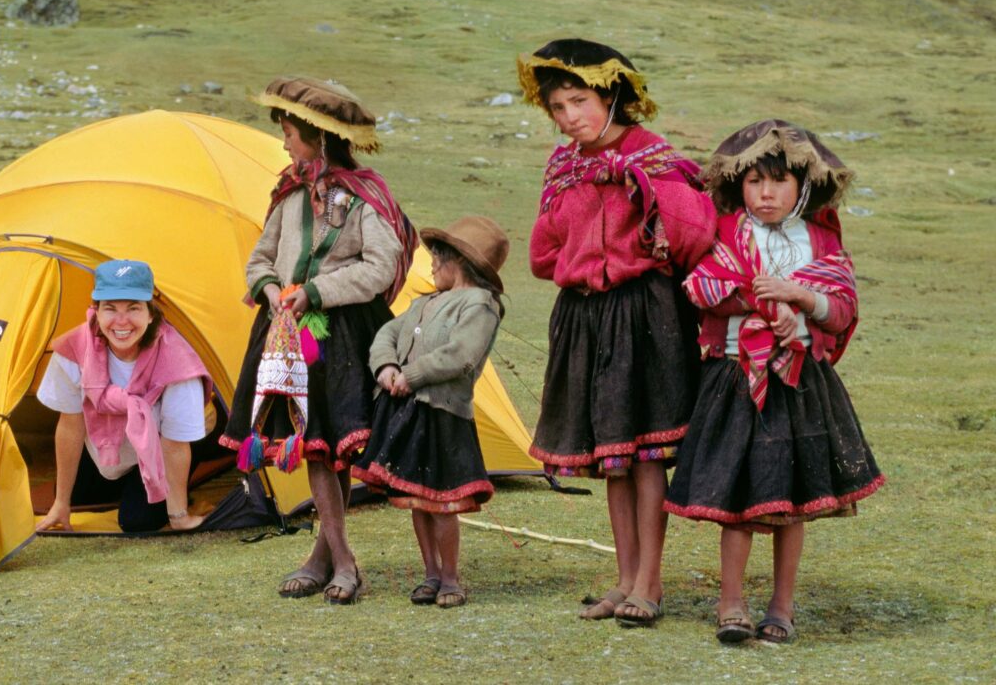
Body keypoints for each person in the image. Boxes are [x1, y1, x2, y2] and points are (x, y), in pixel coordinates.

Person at [518, 39, 717, 626]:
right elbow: (542, 250)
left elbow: (693, 232)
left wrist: (647, 238)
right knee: (614, 457)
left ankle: (649, 585)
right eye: (558, 107)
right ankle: (623, 579)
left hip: (645, 315)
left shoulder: (653, 159)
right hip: (583, 317)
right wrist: (581, 265)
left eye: (579, 100)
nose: (569, 116)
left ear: (611, 95)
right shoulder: (564, 167)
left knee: (647, 453)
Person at [664, 119, 884, 644]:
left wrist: (801, 305)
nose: (766, 193)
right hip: (735, 378)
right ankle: (731, 603)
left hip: (801, 383)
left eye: (779, 182)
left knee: (793, 499)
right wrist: (765, 304)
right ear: (738, 185)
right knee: (736, 501)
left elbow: (841, 305)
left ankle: (782, 607)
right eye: (754, 182)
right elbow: (701, 289)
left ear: (803, 186)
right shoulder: (725, 233)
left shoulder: (821, 240)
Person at [220, 76, 416, 604]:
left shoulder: (364, 199)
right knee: (313, 447)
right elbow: (260, 259)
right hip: (284, 332)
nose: (284, 143)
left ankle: (335, 559)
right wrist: (270, 292)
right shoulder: (287, 195)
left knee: (332, 448)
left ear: (319, 139)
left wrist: (317, 291)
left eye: (290, 133)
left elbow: (380, 267)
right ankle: (333, 557)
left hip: (345, 333)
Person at [352, 215, 509, 609]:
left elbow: (462, 354)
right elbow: (387, 334)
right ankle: (430, 574)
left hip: (442, 415)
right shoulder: (423, 303)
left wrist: (412, 375)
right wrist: (386, 367)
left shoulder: (481, 305)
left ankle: (451, 578)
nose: (433, 264)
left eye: (439, 257)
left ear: (460, 261)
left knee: (442, 503)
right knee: (416, 499)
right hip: (406, 411)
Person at [35, 259, 211, 533]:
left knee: (137, 521)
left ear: (151, 313)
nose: (121, 321)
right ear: (95, 311)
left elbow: (175, 444)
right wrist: (61, 502)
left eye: (133, 308)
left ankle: (181, 485)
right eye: (110, 309)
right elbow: (70, 424)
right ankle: (117, 485)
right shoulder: (74, 349)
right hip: (105, 449)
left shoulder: (177, 362)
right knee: (79, 497)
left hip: (164, 446)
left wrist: (178, 515)